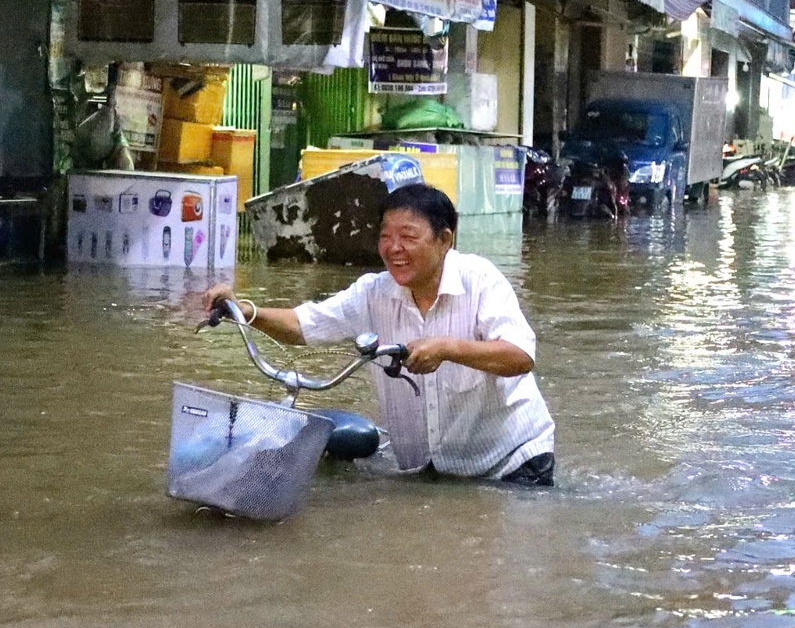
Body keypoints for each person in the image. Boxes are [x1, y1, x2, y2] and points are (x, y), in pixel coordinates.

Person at [202, 184, 557, 486]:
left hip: (513, 464)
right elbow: (303, 325)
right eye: (386, 236)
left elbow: (519, 357)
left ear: (445, 240)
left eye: (408, 237)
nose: (393, 248)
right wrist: (245, 311)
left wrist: (447, 348)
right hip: (431, 471)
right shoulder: (373, 293)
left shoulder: (480, 280)